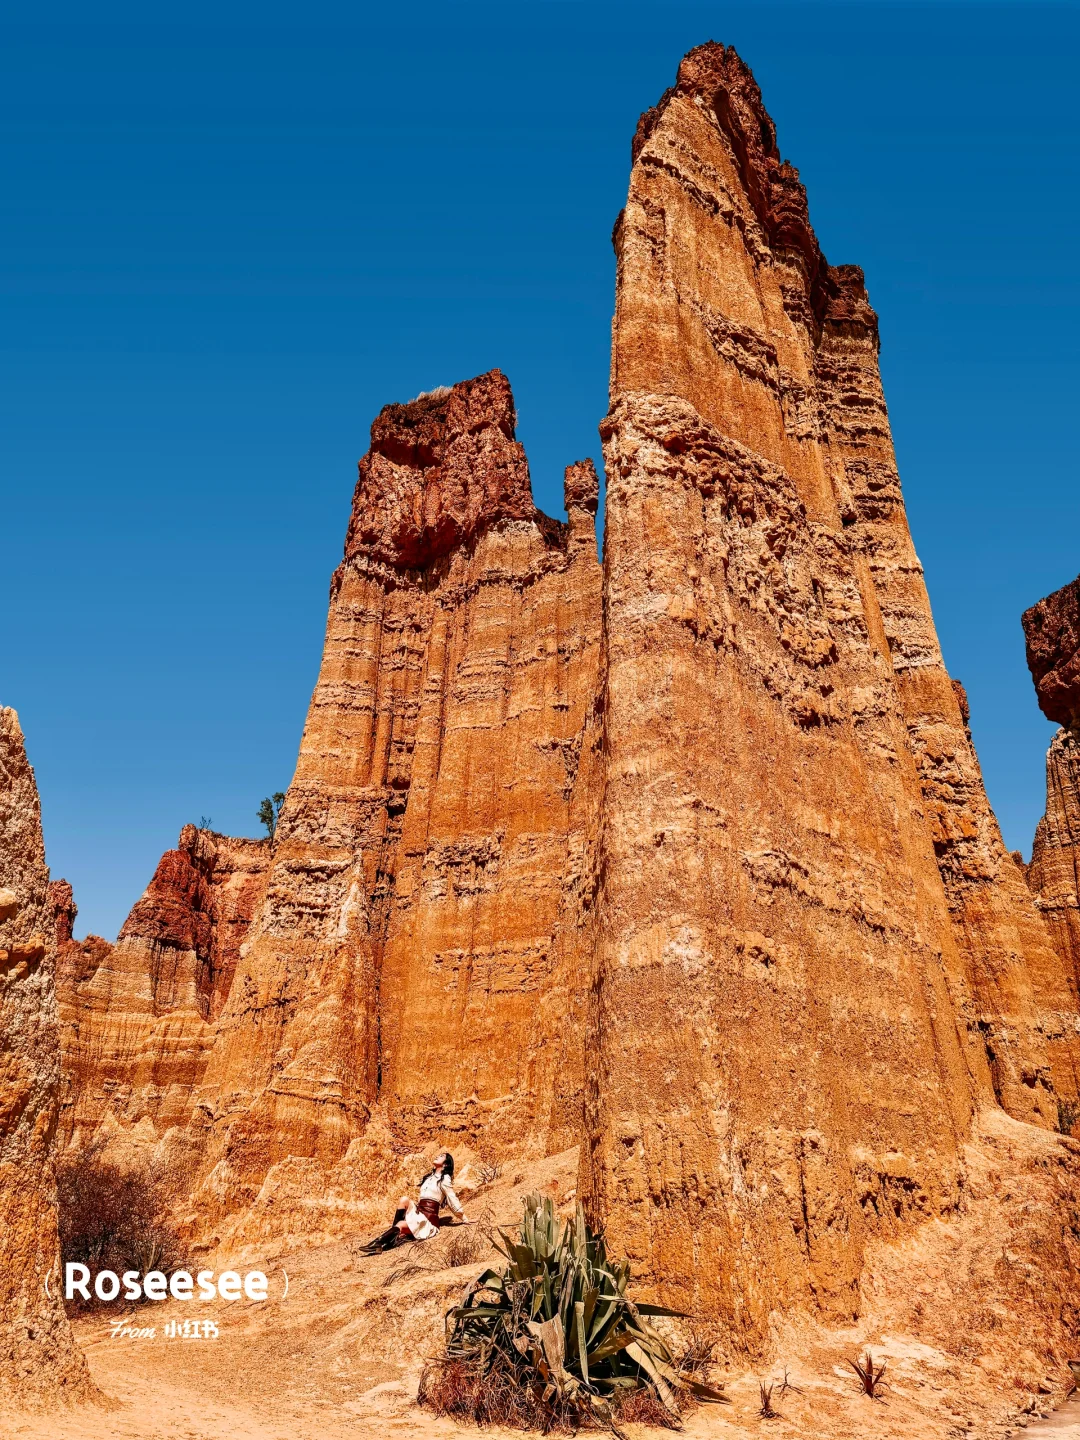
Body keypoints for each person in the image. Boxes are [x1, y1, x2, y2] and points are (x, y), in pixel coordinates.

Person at [357, 1150, 472, 1255]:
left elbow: (452, 1198)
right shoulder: (429, 1177)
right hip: (419, 1212)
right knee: (404, 1200)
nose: (437, 1156)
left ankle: (378, 1243)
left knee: (401, 1224)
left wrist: (463, 1217)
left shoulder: (445, 1178)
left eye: (441, 1156)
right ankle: (395, 1235)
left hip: (428, 1220)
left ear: (445, 1164)